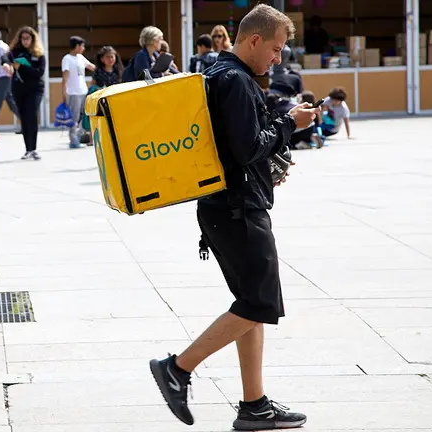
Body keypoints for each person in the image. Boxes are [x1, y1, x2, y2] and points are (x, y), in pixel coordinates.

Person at [149, 4, 319, 430]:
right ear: (255, 40)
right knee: (260, 302)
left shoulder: (215, 73)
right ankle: (177, 369)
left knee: (251, 304)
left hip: (224, 208)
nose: (278, 59)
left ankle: (254, 404)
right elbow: (247, 148)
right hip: (238, 210)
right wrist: (288, 122)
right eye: (276, 49)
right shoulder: (237, 80)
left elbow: (232, 147)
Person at [3, 26, 47, 160]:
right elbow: (5, 57)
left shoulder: (38, 54)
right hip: (19, 88)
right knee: (24, 117)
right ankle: (27, 149)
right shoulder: (15, 52)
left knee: (31, 115)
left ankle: (34, 149)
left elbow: (39, 72)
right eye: (23, 38)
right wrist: (7, 64)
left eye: (28, 38)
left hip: (35, 89)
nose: (25, 41)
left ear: (33, 39)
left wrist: (22, 67)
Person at [61, 36, 96, 149]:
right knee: (74, 117)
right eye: (82, 46)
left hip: (83, 91)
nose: (83, 48)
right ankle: (73, 140)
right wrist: (64, 92)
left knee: (83, 117)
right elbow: (65, 77)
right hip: (73, 92)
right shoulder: (67, 59)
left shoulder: (81, 57)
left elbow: (91, 67)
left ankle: (79, 136)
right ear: (77, 46)